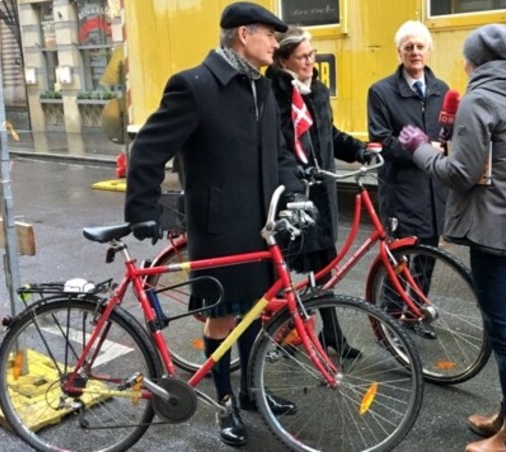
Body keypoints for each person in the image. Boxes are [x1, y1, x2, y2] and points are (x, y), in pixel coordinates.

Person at [124, 2, 307, 447]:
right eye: (269, 35)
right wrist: (143, 209)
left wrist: (295, 198)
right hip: (219, 226)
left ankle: (250, 391)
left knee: (253, 314)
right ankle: (225, 401)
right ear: (243, 35)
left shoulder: (260, 88)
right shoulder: (195, 85)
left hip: (260, 227)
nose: (274, 44)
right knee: (222, 317)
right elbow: (148, 148)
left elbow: (279, 153)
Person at [398, 24, 506, 452]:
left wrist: (419, 146)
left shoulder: (479, 98)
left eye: (466, 57)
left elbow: (460, 175)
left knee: (505, 332)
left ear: (476, 60)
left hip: (495, 230)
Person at [265, 26, 371, 358]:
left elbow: (329, 134)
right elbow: (275, 148)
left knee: (323, 268)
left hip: (320, 193)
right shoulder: (273, 95)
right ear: (284, 60)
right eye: (303, 57)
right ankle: (278, 333)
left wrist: (360, 150)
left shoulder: (316, 91)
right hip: (290, 197)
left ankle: (332, 334)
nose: (311, 62)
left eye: (312, 55)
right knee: (281, 273)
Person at [367, 20, 449, 339]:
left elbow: (450, 135)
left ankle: (415, 315)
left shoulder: (442, 89)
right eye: (408, 47)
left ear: (429, 50)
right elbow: (382, 141)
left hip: (434, 189)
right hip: (402, 190)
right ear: (399, 52)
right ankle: (391, 323)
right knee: (399, 261)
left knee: (427, 258)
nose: (415, 52)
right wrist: (424, 148)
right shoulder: (381, 91)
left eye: (420, 47)